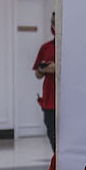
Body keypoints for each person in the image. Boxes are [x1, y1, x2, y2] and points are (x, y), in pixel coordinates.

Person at [33, 12, 57, 155]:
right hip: (49, 101)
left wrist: (55, 68)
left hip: (68, 102)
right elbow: (37, 73)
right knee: (51, 133)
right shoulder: (45, 47)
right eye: (53, 22)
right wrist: (44, 69)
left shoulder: (72, 46)